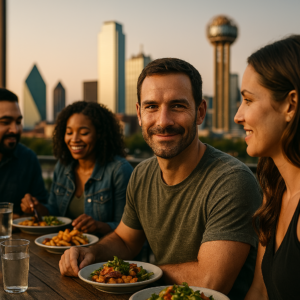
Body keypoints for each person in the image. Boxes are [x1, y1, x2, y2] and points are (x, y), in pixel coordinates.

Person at [59, 58, 261, 300]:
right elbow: (125, 240)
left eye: (177, 106)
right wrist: (90, 253)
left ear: (200, 112)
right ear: (139, 114)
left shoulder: (231, 181)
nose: (163, 121)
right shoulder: (142, 174)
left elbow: (211, 281)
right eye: (152, 106)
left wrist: (134, 272)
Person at [234, 35, 300, 300]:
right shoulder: (274, 192)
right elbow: (260, 292)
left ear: (290, 105)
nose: (238, 116)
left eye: (248, 100)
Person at [21, 101, 133, 235]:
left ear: (100, 135)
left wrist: (98, 226)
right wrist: (37, 208)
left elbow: (130, 230)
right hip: (63, 250)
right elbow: (55, 212)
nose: (74, 139)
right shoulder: (62, 166)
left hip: (103, 252)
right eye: (69, 132)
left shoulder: (119, 170)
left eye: (84, 133)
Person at [0, 88, 48, 218]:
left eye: (18, 122)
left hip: (18, 238)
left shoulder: (28, 159)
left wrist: (34, 207)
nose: (15, 130)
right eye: (5, 122)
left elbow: (44, 212)